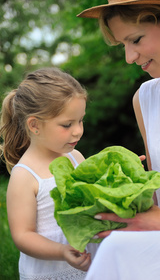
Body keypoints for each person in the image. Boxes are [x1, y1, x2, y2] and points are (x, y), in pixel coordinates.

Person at [77, 0, 160, 278]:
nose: (129, 57)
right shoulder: (144, 99)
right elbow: (158, 197)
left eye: (135, 40)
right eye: (123, 46)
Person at [0, 67, 98, 280]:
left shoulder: (75, 157)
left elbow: (94, 197)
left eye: (80, 120)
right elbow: (23, 236)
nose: (78, 130)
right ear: (34, 125)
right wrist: (61, 251)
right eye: (67, 124)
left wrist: (116, 177)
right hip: (50, 271)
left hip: (88, 265)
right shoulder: (24, 175)